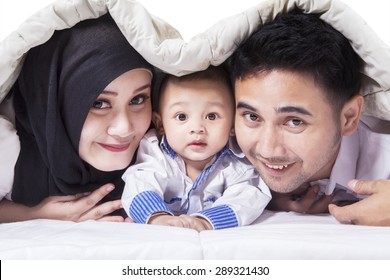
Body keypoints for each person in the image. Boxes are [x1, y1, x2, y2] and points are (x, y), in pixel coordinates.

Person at [230, 11, 390, 226]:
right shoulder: (212, 150)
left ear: (349, 118)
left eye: (294, 121)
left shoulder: (384, 161)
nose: (267, 150)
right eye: (252, 116)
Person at [0, 14, 154, 223]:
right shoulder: (9, 148)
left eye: (138, 99)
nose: (124, 128)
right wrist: (35, 215)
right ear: (55, 104)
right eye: (99, 104)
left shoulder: (165, 142)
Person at [121, 66, 271, 231]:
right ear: (160, 124)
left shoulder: (236, 162)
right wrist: (158, 218)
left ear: (233, 124)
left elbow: (247, 198)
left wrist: (206, 222)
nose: (197, 128)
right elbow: (140, 182)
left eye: (211, 116)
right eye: (182, 117)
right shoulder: (156, 151)